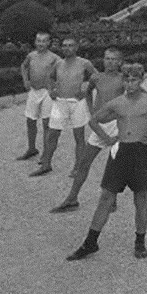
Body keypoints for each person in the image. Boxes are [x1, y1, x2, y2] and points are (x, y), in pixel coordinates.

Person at [66, 63, 147, 261]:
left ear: (141, 80)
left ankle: (140, 242)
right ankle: (91, 242)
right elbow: (94, 120)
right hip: (120, 151)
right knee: (106, 197)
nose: (130, 84)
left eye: (134, 80)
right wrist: (107, 138)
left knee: (140, 199)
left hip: (140, 152)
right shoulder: (117, 103)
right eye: (127, 80)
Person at [51, 47, 126, 213]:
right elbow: (88, 92)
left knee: (114, 166)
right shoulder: (96, 77)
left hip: (116, 125)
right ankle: (72, 198)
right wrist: (91, 111)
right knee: (84, 163)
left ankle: (112, 199)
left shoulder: (124, 79)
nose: (110, 62)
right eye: (107, 58)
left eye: (114, 59)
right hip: (99, 125)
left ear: (120, 62)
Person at [30, 36, 97, 177]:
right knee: (52, 134)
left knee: (78, 136)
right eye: (64, 45)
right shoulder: (59, 63)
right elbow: (50, 78)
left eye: (70, 45)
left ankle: (78, 167)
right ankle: (46, 164)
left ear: (77, 47)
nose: (67, 48)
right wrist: (51, 90)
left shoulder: (84, 63)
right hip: (60, 102)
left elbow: (97, 77)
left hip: (77, 103)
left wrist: (86, 90)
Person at [18, 31, 60, 161]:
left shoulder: (54, 58)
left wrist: (55, 88)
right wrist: (25, 80)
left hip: (46, 92)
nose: (40, 43)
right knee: (30, 120)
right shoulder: (31, 55)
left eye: (43, 41)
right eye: (38, 41)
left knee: (46, 123)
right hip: (34, 91)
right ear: (35, 42)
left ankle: (46, 153)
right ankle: (32, 148)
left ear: (49, 43)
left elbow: (63, 72)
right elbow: (23, 66)